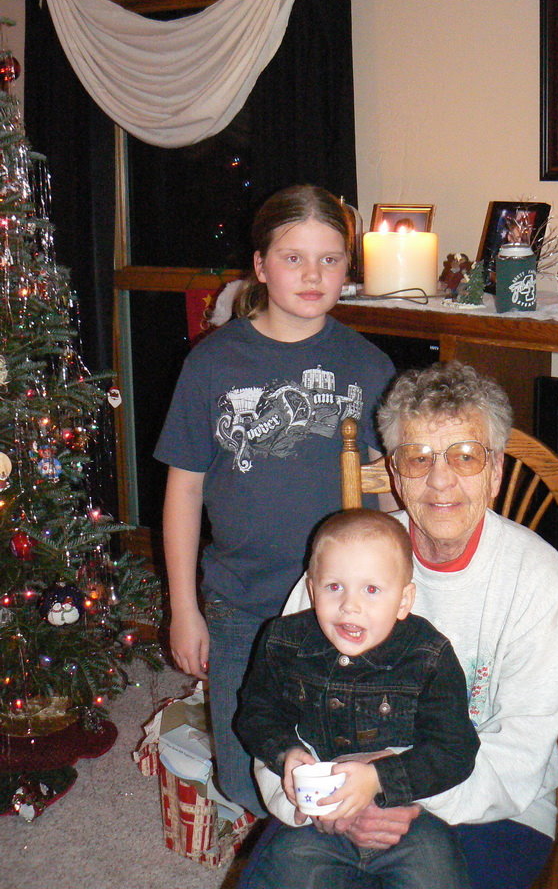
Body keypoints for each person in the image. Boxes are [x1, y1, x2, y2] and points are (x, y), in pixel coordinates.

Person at [251, 361, 558, 889]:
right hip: (335, 795)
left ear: (495, 471)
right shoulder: (347, 562)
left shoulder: (535, 576)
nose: (440, 479)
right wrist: (313, 796)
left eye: (465, 456)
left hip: (489, 803)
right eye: (417, 457)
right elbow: (274, 702)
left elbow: (521, 748)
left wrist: (395, 789)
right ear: (395, 475)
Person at [154, 185, 395, 815]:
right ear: (260, 265)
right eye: (293, 258)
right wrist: (184, 607)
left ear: (349, 266)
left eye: (331, 259)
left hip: (341, 610)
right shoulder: (213, 363)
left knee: (333, 767)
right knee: (244, 780)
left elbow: (390, 499)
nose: (313, 275)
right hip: (242, 605)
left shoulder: (369, 367)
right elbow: (183, 489)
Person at [236, 508, 479, 888]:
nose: (350, 605)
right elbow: (256, 712)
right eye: (335, 587)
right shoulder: (284, 640)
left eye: (371, 589)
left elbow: (455, 749)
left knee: (437, 874)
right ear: (312, 590)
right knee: (281, 870)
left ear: (403, 600)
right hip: (318, 820)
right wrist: (285, 753)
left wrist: (379, 779)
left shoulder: (429, 654)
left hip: (408, 821)